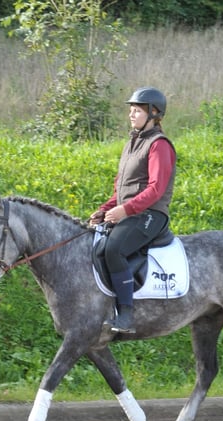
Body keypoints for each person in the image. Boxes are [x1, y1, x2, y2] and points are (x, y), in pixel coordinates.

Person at [89, 86, 177, 334]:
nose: (131, 114)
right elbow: (121, 189)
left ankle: (126, 313)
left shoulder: (159, 145)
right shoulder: (132, 143)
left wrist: (124, 211)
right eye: (131, 110)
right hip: (131, 211)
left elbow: (156, 189)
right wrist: (104, 209)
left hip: (151, 214)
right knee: (98, 248)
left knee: (114, 248)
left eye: (137, 110)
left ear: (154, 113)